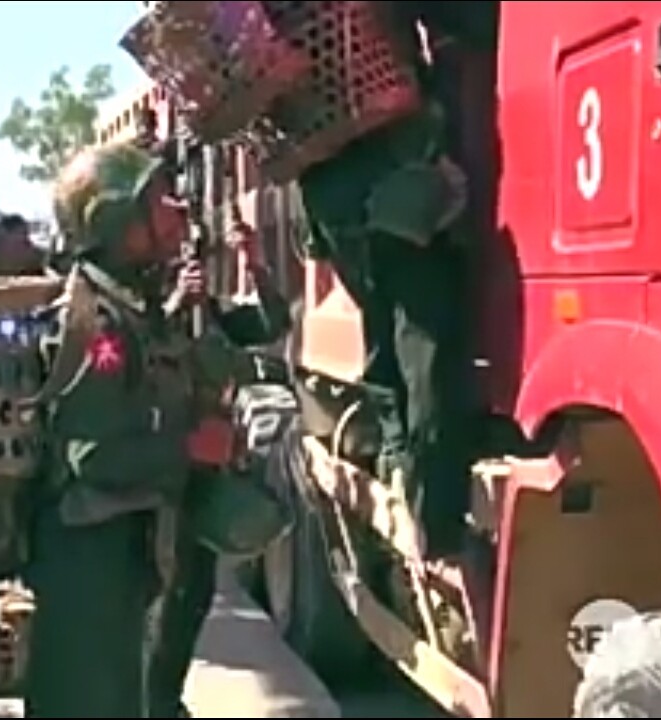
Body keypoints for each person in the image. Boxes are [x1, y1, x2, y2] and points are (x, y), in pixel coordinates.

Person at [24, 141, 241, 717]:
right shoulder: (97, 321)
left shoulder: (130, 306)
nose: (176, 207)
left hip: (116, 551)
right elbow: (92, 456)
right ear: (118, 220)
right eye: (158, 198)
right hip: (88, 557)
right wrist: (190, 448)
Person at [296, 6, 470, 561]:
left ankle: (398, 459)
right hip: (389, 164)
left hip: (326, 187)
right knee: (425, 342)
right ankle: (436, 523)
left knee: (381, 331)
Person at [147, 219, 290, 718]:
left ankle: (165, 699)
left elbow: (273, 323)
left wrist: (255, 263)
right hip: (160, 481)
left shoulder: (209, 317)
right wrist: (173, 305)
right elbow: (138, 359)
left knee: (193, 595)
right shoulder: (141, 311)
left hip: (204, 478)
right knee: (163, 602)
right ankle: (153, 704)